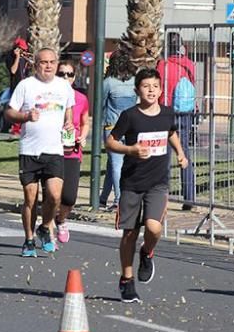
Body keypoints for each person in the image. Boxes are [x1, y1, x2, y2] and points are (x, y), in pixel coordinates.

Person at [106, 68, 189, 303]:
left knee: (153, 228)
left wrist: (181, 154)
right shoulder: (130, 116)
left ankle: (147, 252)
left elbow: (170, 132)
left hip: (158, 182)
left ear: (161, 90)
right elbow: (110, 141)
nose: (151, 90)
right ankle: (127, 280)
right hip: (132, 182)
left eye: (155, 86)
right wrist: (129, 149)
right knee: (130, 232)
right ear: (137, 90)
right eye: (146, 86)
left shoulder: (167, 113)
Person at [5, 48, 75, 257]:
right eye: (43, 62)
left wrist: (69, 123)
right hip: (29, 150)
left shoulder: (64, 86)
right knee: (30, 198)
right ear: (36, 64)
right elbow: (9, 112)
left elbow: (68, 110)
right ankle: (28, 239)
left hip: (54, 150)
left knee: (54, 196)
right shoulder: (26, 85)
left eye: (52, 62)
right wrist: (25, 116)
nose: (48, 66)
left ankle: (45, 227)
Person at [156, 32, 198, 210]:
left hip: (165, 111)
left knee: (164, 154)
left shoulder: (162, 65)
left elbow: (158, 87)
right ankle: (189, 197)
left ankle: (162, 196)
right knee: (184, 152)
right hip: (185, 112)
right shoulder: (189, 64)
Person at [55, 59, 90, 246]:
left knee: (69, 197)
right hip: (52, 151)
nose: (65, 77)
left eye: (69, 74)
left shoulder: (81, 99)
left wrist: (83, 136)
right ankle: (47, 225)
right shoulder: (50, 96)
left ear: (74, 77)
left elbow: (85, 121)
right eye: (61, 74)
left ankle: (60, 220)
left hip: (73, 151)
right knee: (53, 195)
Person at [98, 48, 138, 211]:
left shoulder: (108, 83)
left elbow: (100, 104)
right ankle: (102, 198)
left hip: (112, 127)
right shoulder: (135, 81)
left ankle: (119, 200)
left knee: (116, 164)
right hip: (131, 128)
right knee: (112, 164)